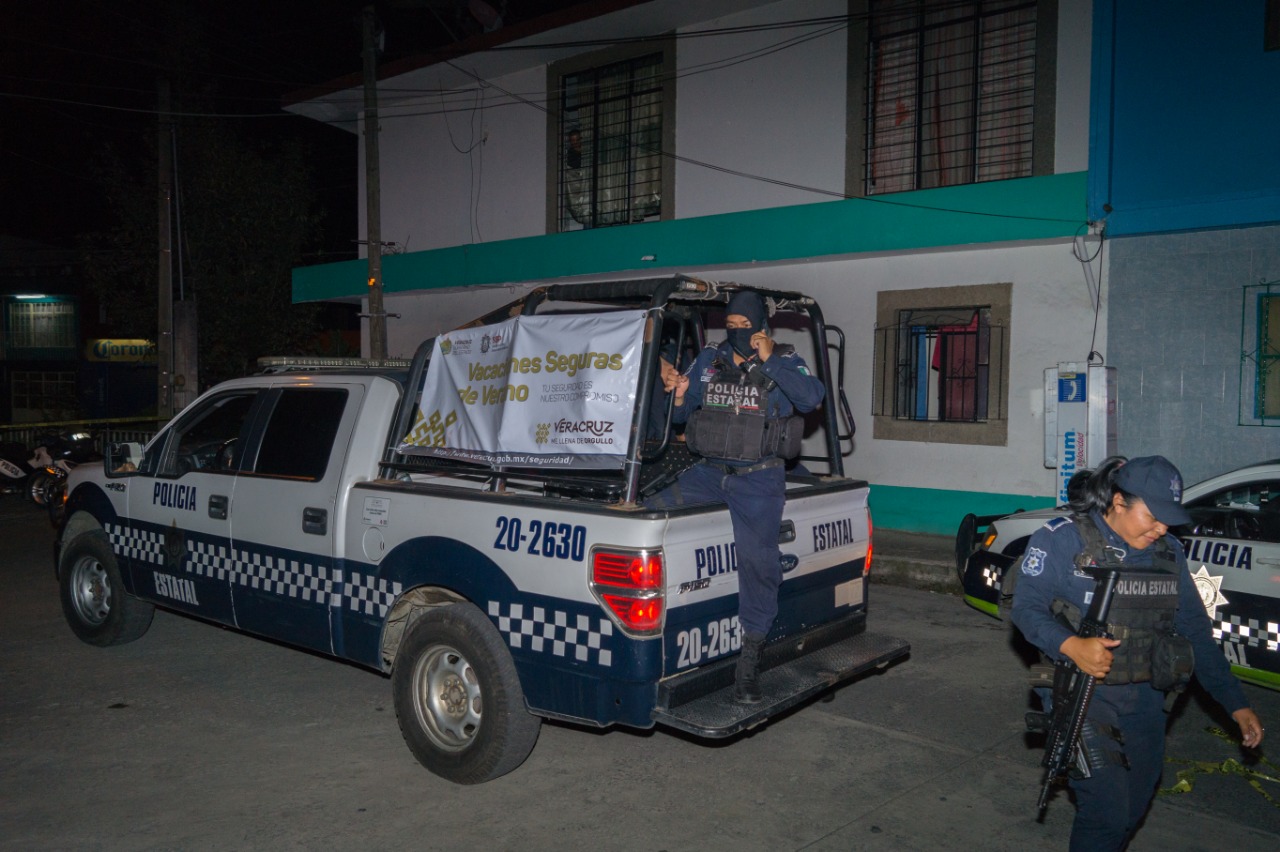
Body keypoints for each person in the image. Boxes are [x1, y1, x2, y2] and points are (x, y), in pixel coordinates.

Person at [1011, 455, 1264, 851]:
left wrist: (1236, 703)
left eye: (1168, 520)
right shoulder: (1064, 539)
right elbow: (1026, 609)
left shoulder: (1169, 553)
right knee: (1106, 813)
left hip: (1146, 696)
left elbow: (1195, 633)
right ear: (1118, 501)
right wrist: (1071, 645)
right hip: (1081, 693)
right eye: (1153, 517)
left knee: (1133, 808)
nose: (1161, 528)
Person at [646, 290, 825, 703]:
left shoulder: (785, 358)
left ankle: (749, 658)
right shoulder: (711, 359)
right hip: (710, 472)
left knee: (758, 563)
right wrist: (679, 391)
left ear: (762, 326)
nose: (738, 332)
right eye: (731, 325)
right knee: (650, 513)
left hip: (758, 479)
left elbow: (811, 398)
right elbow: (680, 415)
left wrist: (770, 359)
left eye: (746, 325)